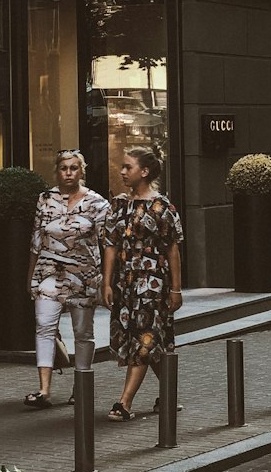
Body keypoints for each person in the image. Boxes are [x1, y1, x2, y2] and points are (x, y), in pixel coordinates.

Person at [102, 146, 184, 421]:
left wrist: (175, 288)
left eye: (128, 167)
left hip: (153, 283)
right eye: (122, 167)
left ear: (144, 172)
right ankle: (169, 393)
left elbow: (172, 249)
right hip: (126, 282)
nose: (122, 171)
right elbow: (111, 245)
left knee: (144, 339)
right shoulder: (118, 205)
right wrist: (107, 282)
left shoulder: (162, 207)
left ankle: (124, 403)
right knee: (151, 340)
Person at [24, 149, 110, 409]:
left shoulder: (97, 203)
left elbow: (108, 244)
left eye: (74, 168)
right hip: (49, 271)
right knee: (44, 326)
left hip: (84, 275)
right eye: (64, 168)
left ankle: (81, 386)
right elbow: (36, 240)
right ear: (57, 171)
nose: (69, 173)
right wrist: (31, 277)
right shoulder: (45, 199)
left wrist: (107, 279)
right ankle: (44, 389)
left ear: (82, 171)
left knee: (82, 332)